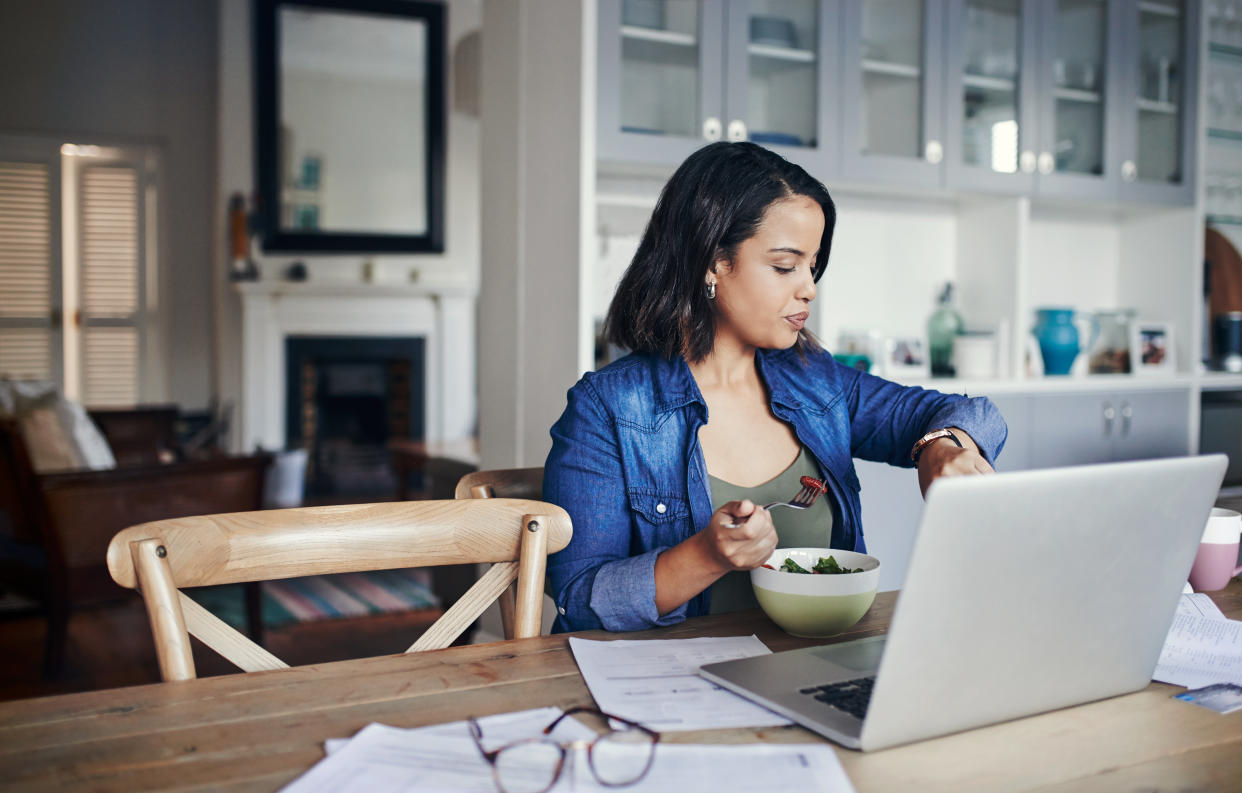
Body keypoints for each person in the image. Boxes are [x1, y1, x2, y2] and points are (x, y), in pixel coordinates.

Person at [543, 142, 1007, 633]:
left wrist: (941, 445)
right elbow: (580, 599)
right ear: (712, 261)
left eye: (812, 266)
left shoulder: (816, 381)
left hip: (817, 667)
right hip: (670, 692)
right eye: (785, 266)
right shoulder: (609, 408)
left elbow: (966, 412)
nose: (807, 287)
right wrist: (707, 554)